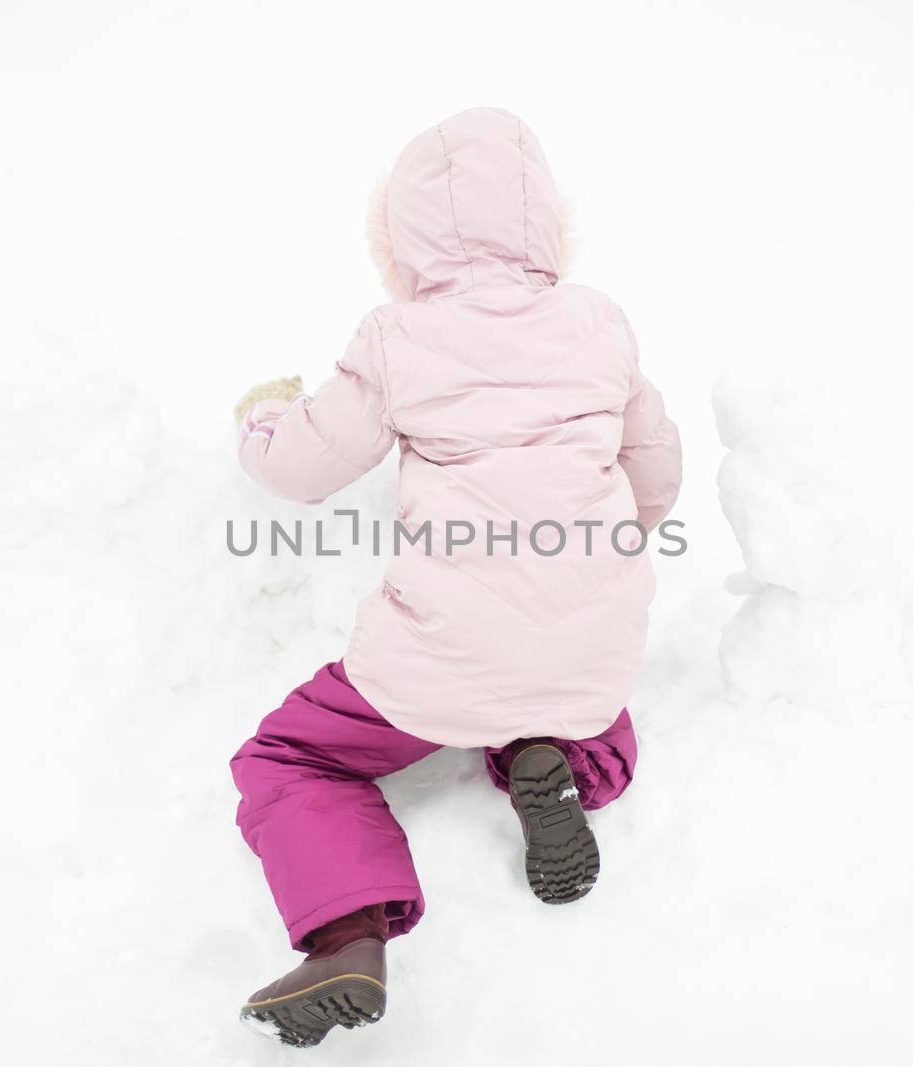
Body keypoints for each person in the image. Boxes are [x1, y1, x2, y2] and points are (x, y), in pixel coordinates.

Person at [229, 107, 682, 1047]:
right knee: (578, 695)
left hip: (441, 654)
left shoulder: (398, 338)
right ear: (550, 232)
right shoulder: (599, 323)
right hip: (591, 633)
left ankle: (348, 934)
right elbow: (657, 477)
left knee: (291, 759)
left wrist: (266, 416)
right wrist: (596, 547)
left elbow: (301, 471)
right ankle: (546, 763)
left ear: (399, 250)